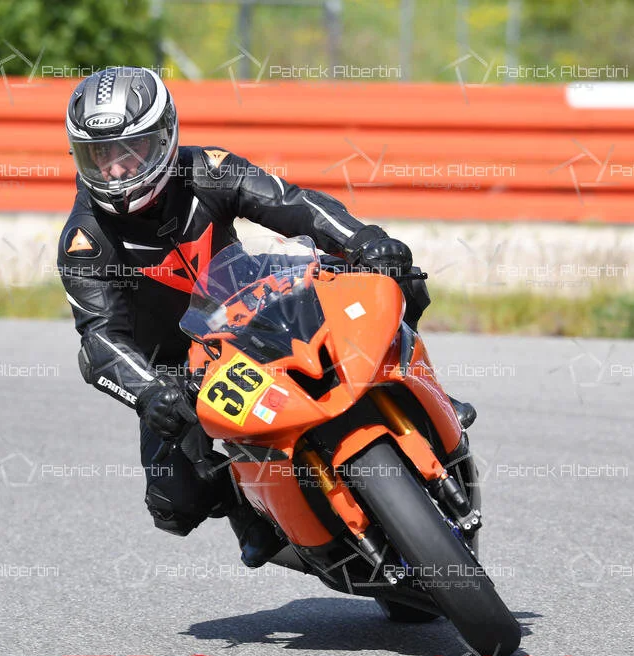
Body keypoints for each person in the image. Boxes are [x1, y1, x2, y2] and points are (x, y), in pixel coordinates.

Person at [57, 66, 475, 567]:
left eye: (131, 151)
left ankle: (417, 383)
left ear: (165, 137)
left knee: (395, 272)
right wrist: (150, 393)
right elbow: (99, 340)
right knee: (174, 503)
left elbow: (293, 204)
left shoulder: (208, 170)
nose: (116, 170)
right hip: (179, 369)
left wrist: (363, 241)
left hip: (255, 305)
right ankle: (249, 508)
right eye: (100, 155)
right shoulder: (85, 240)